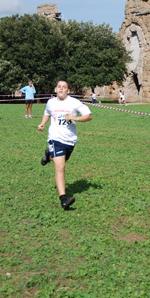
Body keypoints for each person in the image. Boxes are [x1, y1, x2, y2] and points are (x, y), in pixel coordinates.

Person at [38, 79, 92, 210]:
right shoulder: (50, 102)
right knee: (60, 168)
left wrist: (75, 118)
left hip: (70, 140)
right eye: (59, 87)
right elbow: (47, 113)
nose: (61, 89)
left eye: (64, 87)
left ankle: (48, 156)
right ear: (55, 89)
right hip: (55, 138)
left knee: (60, 162)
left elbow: (88, 115)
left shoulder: (74, 102)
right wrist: (42, 123)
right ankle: (63, 199)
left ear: (68, 91)